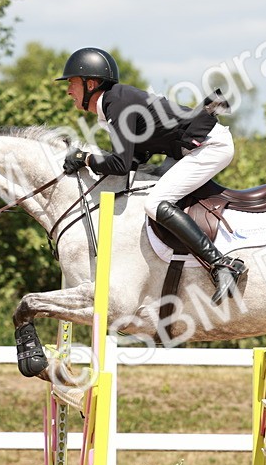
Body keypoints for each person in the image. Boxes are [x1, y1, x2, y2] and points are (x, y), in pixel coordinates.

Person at [56, 47, 247, 305]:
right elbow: (136, 158)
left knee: (154, 203)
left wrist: (85, 159)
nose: (68, 91)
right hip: (189, 150)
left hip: (210, 148)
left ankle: (221, 265)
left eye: (72, 83)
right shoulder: (115, 102)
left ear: (91, 84)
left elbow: (121, 164)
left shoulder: (116, 103)